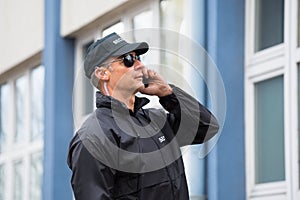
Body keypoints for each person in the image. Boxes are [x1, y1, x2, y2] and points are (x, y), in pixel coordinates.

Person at [67, 32, 219, 200]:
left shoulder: (156, 121)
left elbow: (206, 128)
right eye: (128, 60)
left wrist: (167, 93)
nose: (139, 65)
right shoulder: (93, 137)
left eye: (138, 57)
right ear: (102, 74)